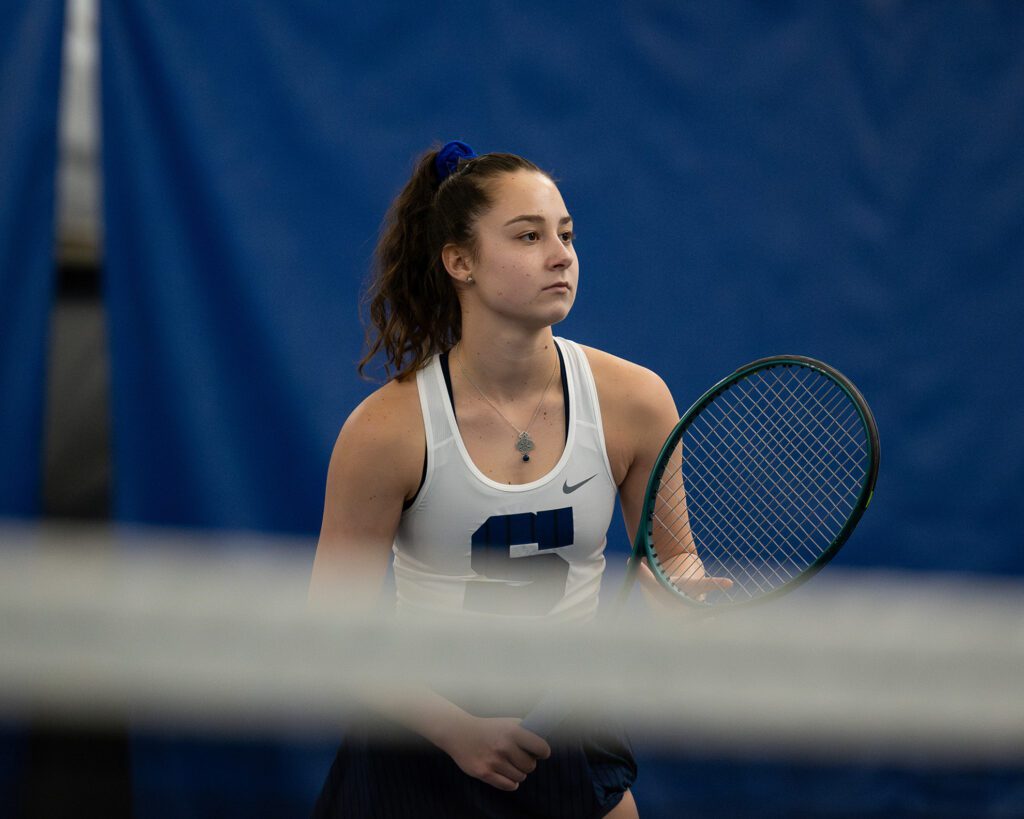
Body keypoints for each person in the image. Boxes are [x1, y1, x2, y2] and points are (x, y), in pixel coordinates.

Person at [309, 141, 702, 819]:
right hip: (419, 739)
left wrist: (688, 598)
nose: (561, 254)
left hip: (565, 736)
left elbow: (674, 563)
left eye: (567, 234)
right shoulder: (386, 430)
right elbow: (327, 628)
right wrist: (454, 729)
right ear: (459, 261)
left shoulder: (637, 401)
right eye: (528, 235)